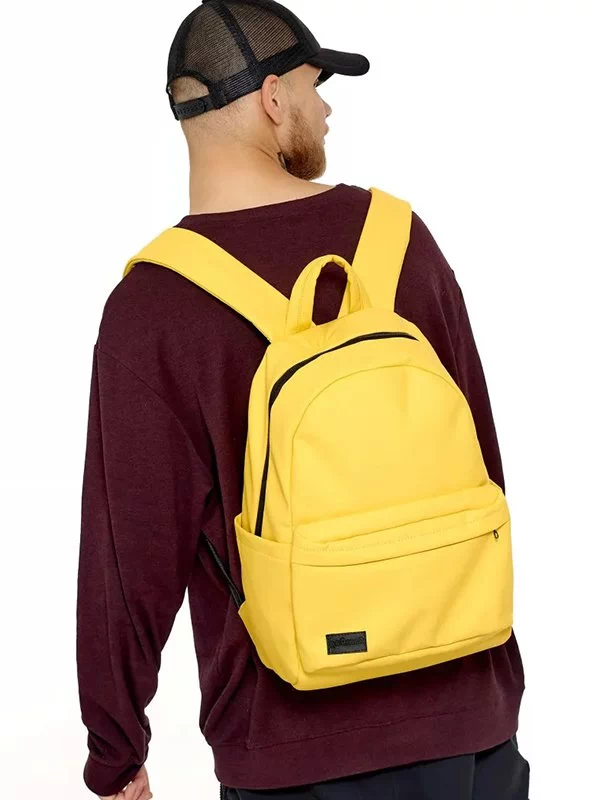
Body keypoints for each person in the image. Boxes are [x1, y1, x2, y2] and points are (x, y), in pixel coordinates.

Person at [75, 1, 529, 798]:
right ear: (273, 96)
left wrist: (116, 751)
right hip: (470, 714)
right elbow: (480, 462)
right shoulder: (400, 239)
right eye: (317, 87)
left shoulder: (153, 306)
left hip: (294, 745)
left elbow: (128, 558)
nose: (326, 110)